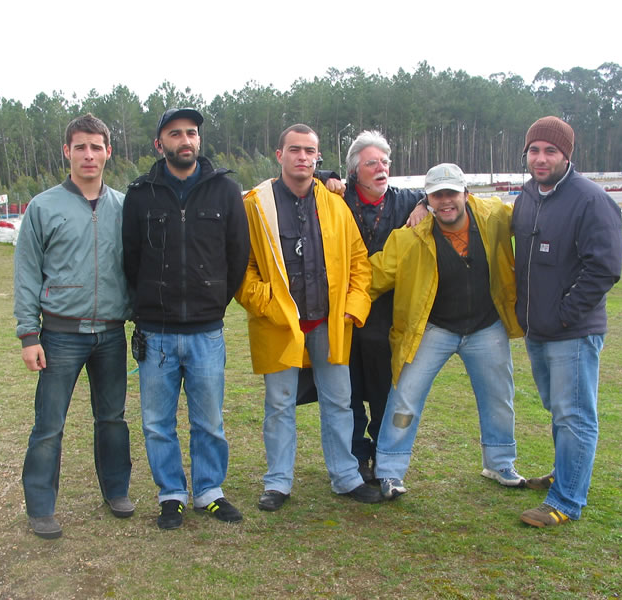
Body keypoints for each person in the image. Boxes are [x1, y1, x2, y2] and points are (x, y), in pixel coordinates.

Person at [235, 123, 383, 511]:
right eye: (295, 150)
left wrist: (353, 309)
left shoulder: (336, 205)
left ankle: (346, 476)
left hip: (330, 322)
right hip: (279, 324)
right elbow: (241, 270)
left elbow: (358, 264)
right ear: (279, 155)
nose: (303, 157)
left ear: (318, 157)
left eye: (310, 151)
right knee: (279, 404)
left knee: (340, 400)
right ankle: (278, 483)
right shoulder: (255, 205)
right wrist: (270, 304)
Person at [122, 107, 249, 529]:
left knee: (208, 421)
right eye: (175, 134)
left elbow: (238, 256)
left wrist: (214, 302)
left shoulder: (225, 191)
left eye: (191, 133)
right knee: (158, 424)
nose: (185, 140)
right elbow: (131, 258)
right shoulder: (140, 194)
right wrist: (147, 306)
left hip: (206, 331)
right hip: (155, 333)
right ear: (160, 144)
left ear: (199, 140)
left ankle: (210, 491)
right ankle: (172, 494)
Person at [369, 163, 527, 500]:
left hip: (486, 326)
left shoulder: (496, 217)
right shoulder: (409, 239)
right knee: (405, 396)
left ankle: (500, 463)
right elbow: (373, 277)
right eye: (437, 195)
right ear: (427, 200)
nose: (446, 202)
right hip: (433, 328)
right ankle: (389, 472)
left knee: (499, 396)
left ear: (466, 194)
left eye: (451, 194)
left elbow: (536, 219)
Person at [14, 113, 133, 539]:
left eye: (95, 146)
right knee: (49, 424)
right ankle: (41, 507)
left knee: (113, 419)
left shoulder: (123, 206)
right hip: (60, 335)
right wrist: (29, 335)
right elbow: (27, 273)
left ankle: (117, 491)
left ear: (108, 152)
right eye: (80, 146)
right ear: (67, 151)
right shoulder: (43, 206)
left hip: (111, 334)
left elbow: (133, 268)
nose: (88, 154)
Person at [512, 116, 622, 527]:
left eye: (551, 151)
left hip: (572, 332)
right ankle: (565, 472)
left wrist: (563, 315)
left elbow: (605, 268)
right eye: (534, 150)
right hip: (537, 329)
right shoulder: (527, 196)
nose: (541, 159)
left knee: (575, 414)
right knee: (558, 408)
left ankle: (566, 501)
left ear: (566, 155)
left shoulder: (590, 200)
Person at [336, 131, 427, 482]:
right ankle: (356, 455)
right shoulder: (338, 199)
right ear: (355, 171)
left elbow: (442, 194)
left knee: (384, 390)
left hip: (387, 316)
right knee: (348, 390)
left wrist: (425, 205)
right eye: (371, 163)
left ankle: (382, 455)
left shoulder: (406, 201)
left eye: (385, 162)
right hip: (342, 311)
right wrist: (328, 177)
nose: (381, 169)